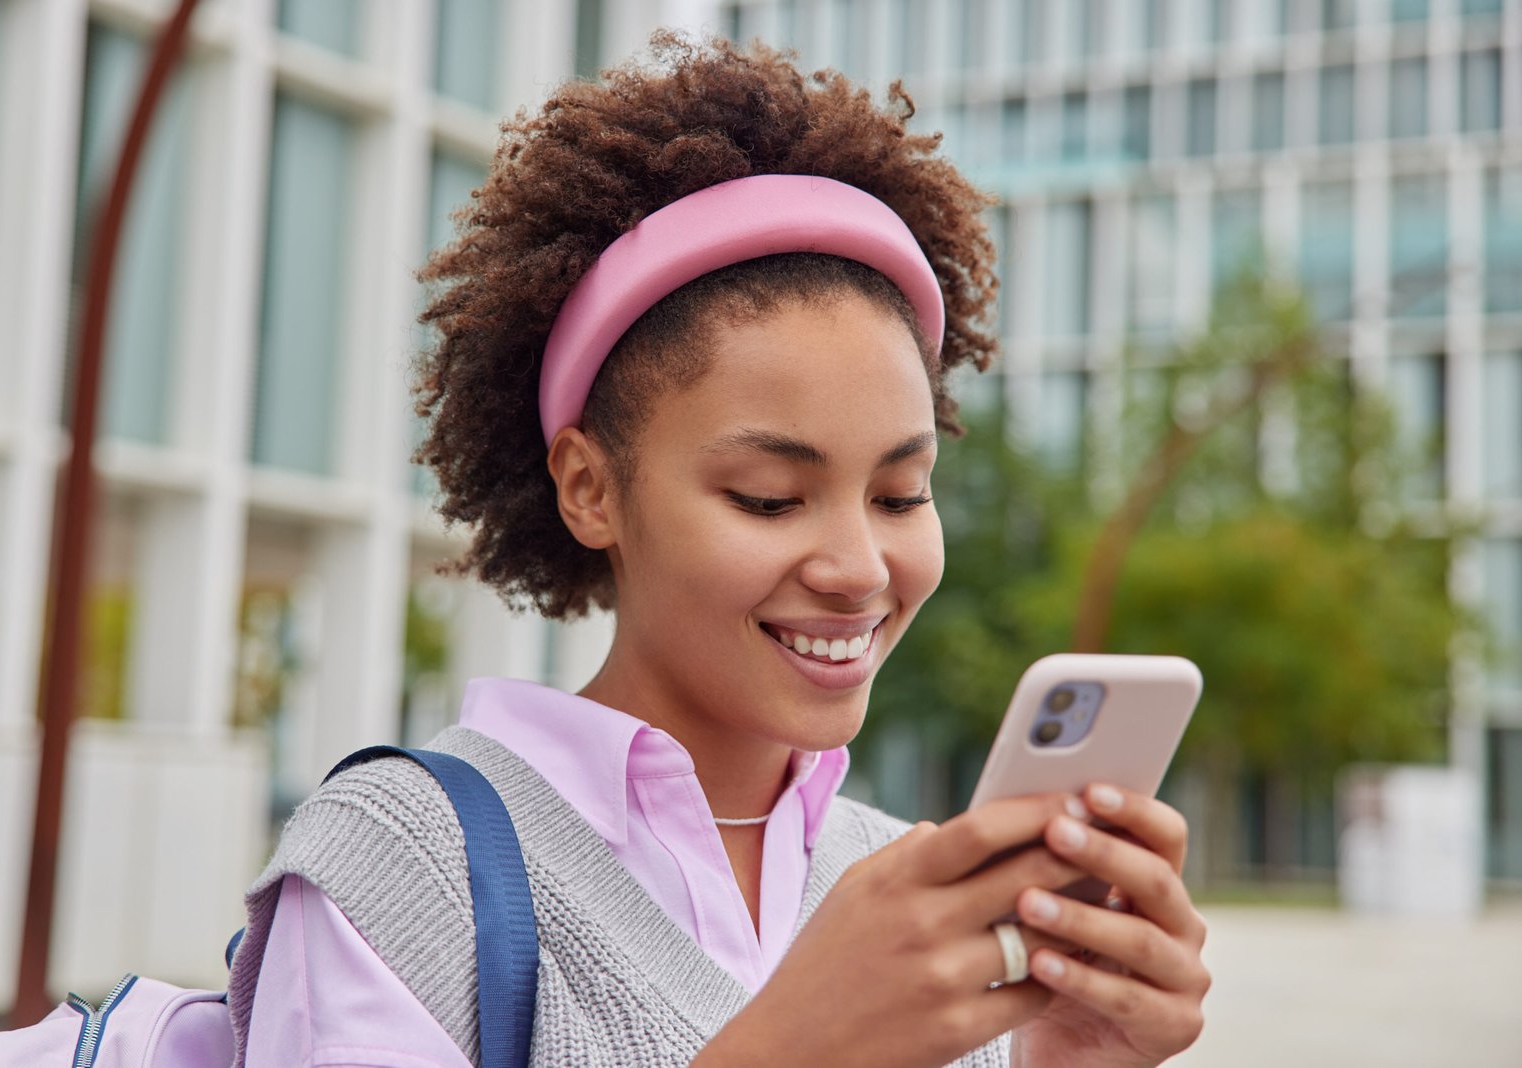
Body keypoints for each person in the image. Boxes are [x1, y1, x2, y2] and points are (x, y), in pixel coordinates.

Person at [228, 33, 1211, 1067]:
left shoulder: (917, 899)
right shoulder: (399, 862)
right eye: (770, 498)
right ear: (589, 488)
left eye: (898, 493)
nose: (859, 567)